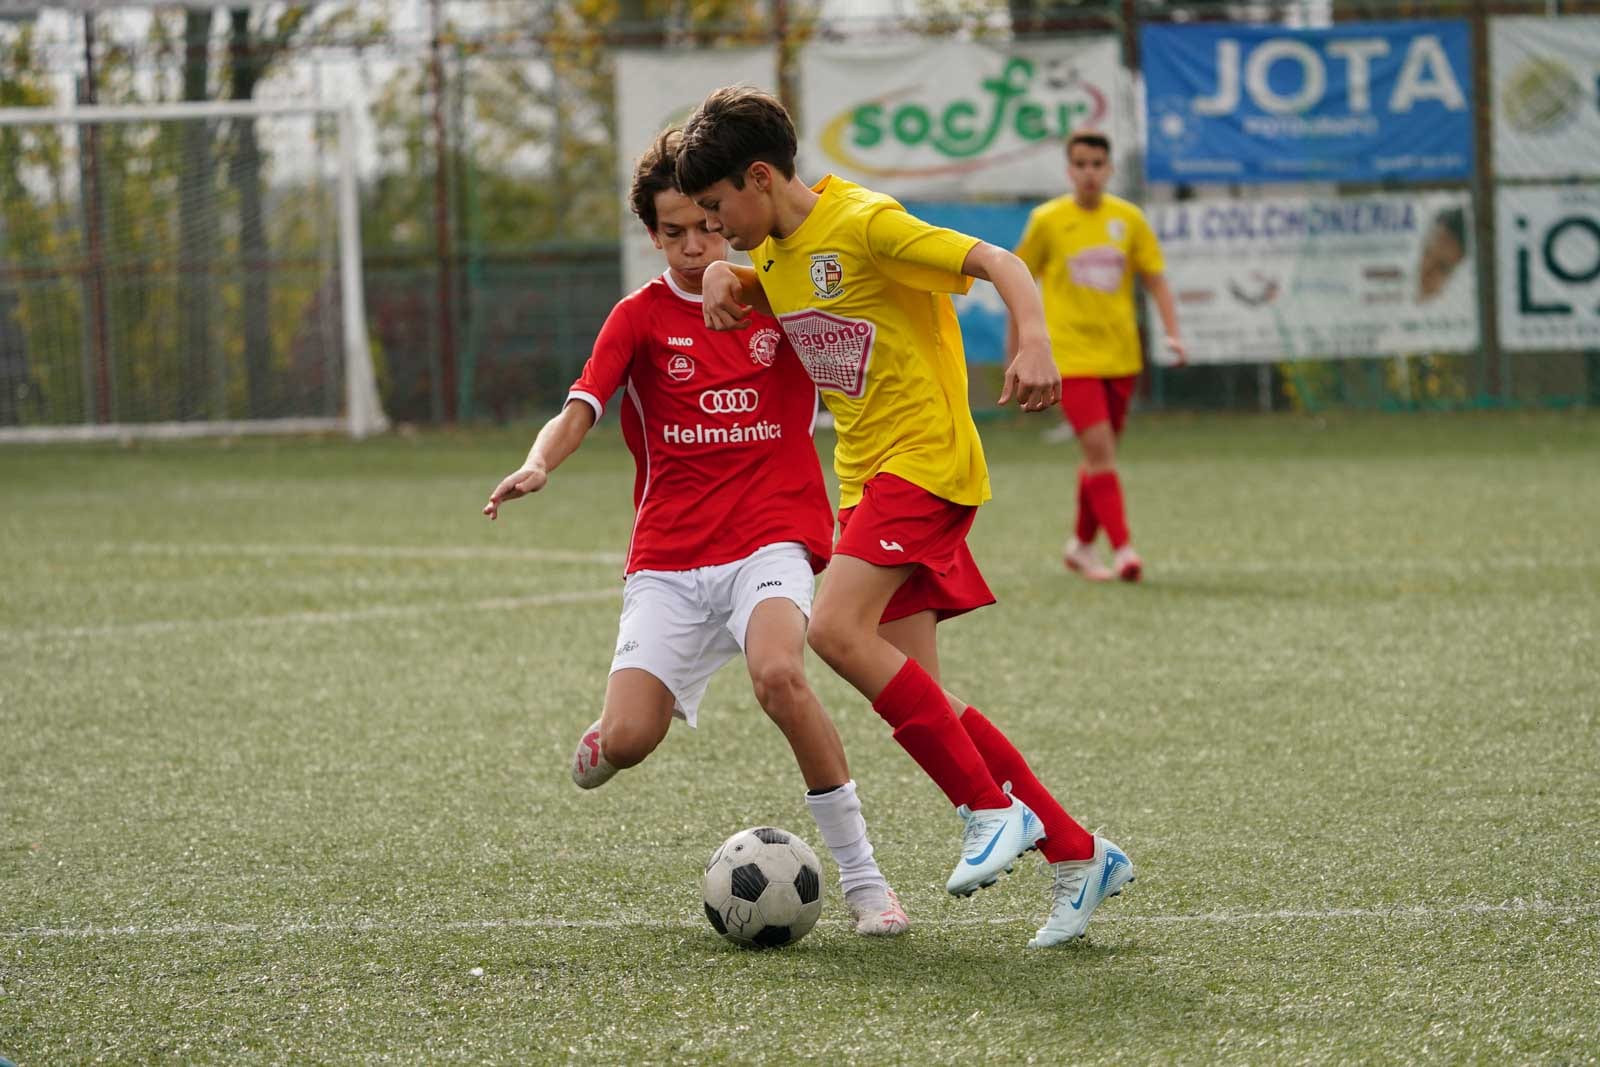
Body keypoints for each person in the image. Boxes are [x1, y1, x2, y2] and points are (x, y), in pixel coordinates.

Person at [676, 87, 1133, 948]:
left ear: (762, 177)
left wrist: (1033, 339)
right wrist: (729, 280)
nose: (708, 230)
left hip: (923, 463)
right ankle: (1078, 851)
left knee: (833, 630)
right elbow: (805, 298)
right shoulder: (772, 250)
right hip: (868, 481)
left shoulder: (868, 223)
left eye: (715, 210)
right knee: (930, 701)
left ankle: (989, 810)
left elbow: (1002, 262)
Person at [482, 129, 908, 937]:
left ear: (726, 212)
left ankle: (866, 883)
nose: (692, 245)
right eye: (671, 231)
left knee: (781, 674)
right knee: (632, 740)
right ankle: (608, 736)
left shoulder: (777, 293)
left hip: (772, 537)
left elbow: (860, 317)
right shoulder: (637, 318)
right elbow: (581, 406)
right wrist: (540, 463)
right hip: (671, 558)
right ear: (651, 234)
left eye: (705, 226)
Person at [1009, 130, 1186, 584]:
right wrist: (1020, 350)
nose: (1089, 172)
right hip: (1071, 357)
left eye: (1097, 164)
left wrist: (1173, 334)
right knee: (1101, 453)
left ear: (1109, 170)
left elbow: (1156, 279)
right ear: (1070, 171)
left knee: (1098, 458)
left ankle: (1081, 546)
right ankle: (1124, 548)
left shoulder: (1128, 219)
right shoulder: (1048, 220)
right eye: (1081, 164)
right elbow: (1018, 279)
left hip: (1121, 356)